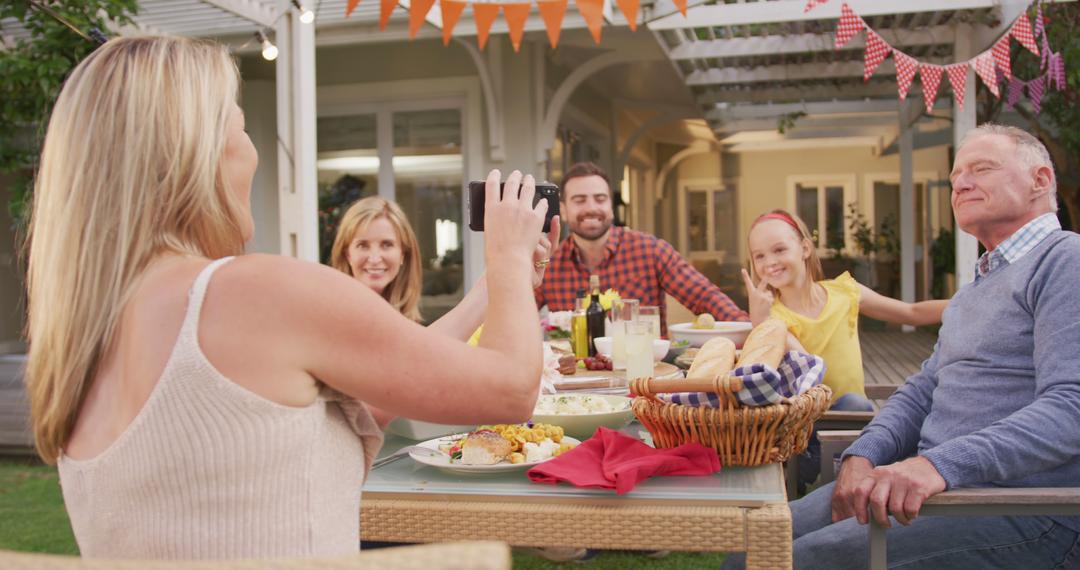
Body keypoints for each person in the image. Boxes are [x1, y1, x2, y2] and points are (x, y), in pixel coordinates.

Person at [24, 36, 550, 560]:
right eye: (242, 128)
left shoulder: (81, 339)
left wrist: (489, 291)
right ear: (197, 153)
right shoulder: (251, 292)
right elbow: (508, 390)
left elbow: (373, 395)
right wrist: (507, 254)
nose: (253, 151)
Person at [724, 124, 1080, 569]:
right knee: (750, 545)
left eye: (981, 169)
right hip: (939, 487)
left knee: (781, 563)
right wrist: (864, 453)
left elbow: (1072, 408)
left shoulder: (1065, 261)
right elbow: (922, 388)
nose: (961, 183)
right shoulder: (979, 285)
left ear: (1040, 180)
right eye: (955, 177)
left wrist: (937, 465)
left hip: (1027, 509)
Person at [741, 209, 948, 412]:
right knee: (855, 404)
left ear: (805, 248)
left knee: (855, 403)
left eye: (779, 250)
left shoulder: (845, 292)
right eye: (759, 256)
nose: (770, 262)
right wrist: (761, 323)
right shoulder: (773, 318)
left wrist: (967, 302)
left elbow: (911, 313)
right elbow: (810, 368)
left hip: (851, 418)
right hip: (803, 426)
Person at [534, 161, 748, 334]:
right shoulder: (547, 261)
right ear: (563, 209)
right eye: (579, 200)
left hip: (645, 379)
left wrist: (749, 330)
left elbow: (705, 297)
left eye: (600, 199)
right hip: (573, 384)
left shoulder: (650, 250)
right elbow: (514, 316)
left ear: (610, 205)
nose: (591, 208)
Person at [329, 196, 558, 342]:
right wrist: (505, 268)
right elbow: (419, 358)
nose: (375, 257)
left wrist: (510, 272)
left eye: (387, 244)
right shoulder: (338, 317)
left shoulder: (398, 319)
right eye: (362, 245)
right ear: (347, 254)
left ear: (403, 254)